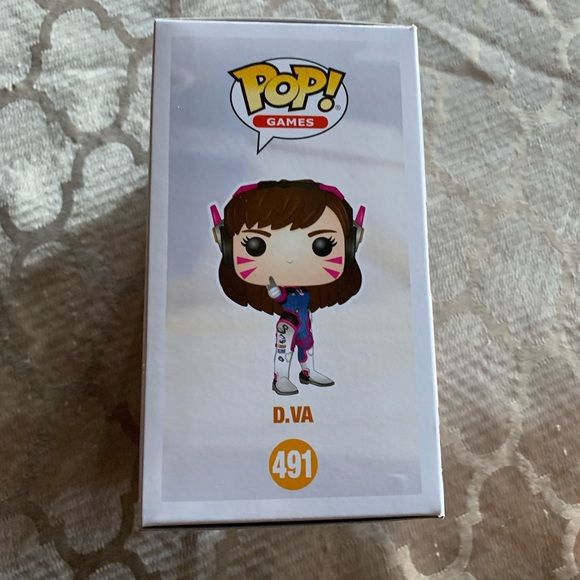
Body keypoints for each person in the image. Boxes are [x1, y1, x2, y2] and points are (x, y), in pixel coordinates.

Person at [211, 179, 365, 395]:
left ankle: (307, 372)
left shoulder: (304, 291)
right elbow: (281, 297)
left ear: (350, 245)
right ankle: (281, 377)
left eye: (322, 245)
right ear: (227, 246)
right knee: (284, 350)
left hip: (304, 320)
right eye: (255, 245)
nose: (290, 260)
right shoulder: (283, 291)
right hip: (289, 321)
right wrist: (275, 292)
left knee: (307, 345)